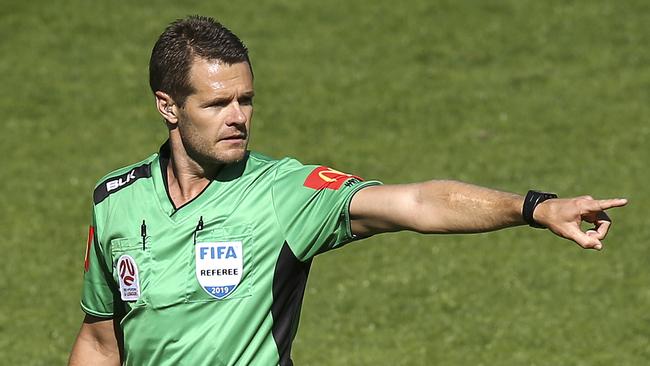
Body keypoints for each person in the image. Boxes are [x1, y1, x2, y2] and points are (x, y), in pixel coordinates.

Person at [68, 15, 627, 366]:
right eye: (217, 104)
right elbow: (100, 341)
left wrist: (533, 207)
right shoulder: (116, 200)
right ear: (168, 107)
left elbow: (416, 202)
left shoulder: (284, 192)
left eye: (246, 99)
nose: (238, 116)